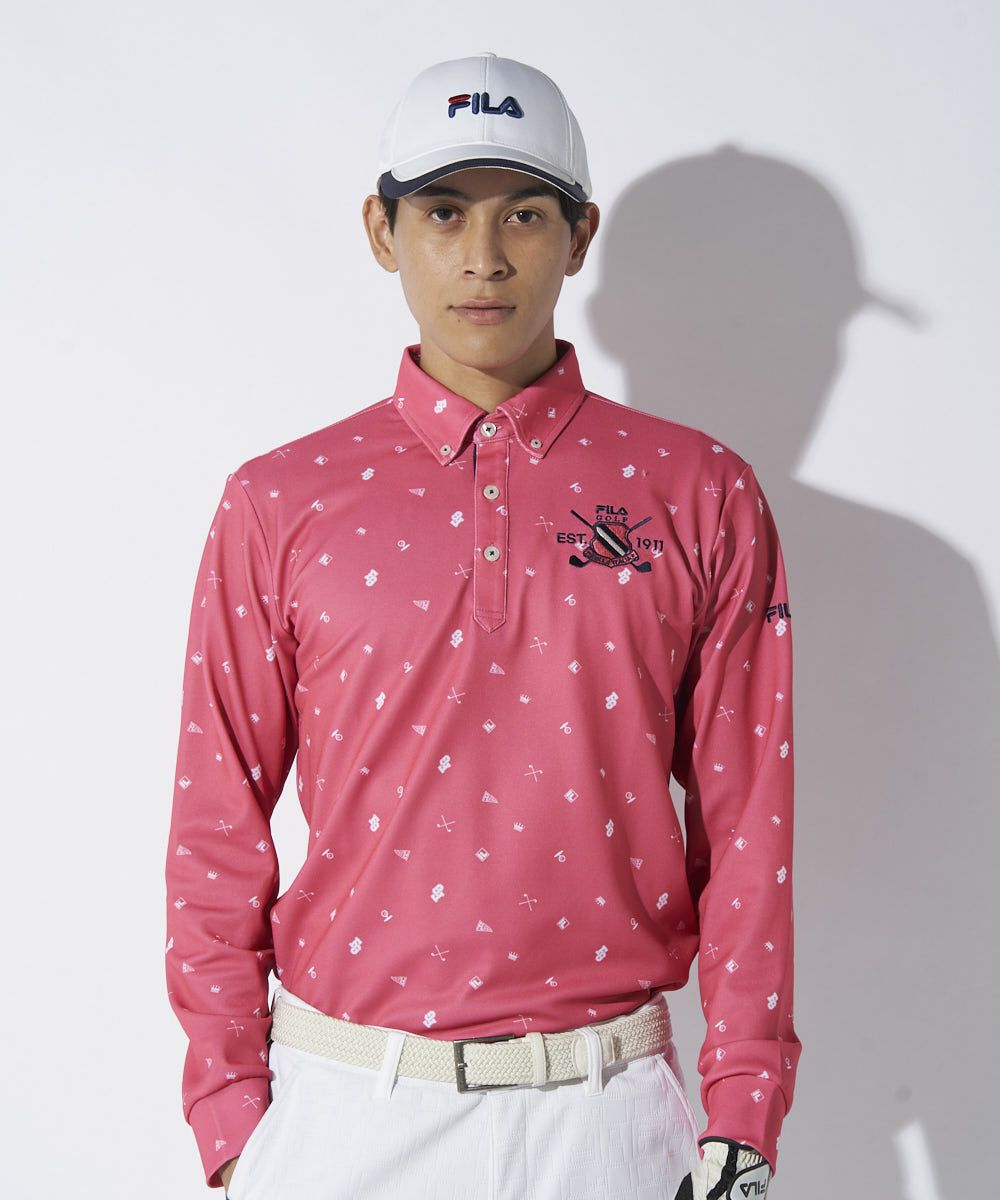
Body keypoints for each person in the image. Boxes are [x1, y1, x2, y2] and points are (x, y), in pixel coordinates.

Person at [164, 50, 801, 1200]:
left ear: (580, 234)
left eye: (524, 214)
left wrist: (744, 1110)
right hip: (350, 1111)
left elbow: (747, 821)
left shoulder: (698, 492)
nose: (484, 257)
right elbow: (218, 820)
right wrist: (233, 1118)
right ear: (382, 230)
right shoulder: (280, 501)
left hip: (611, 1119)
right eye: (444, 212)